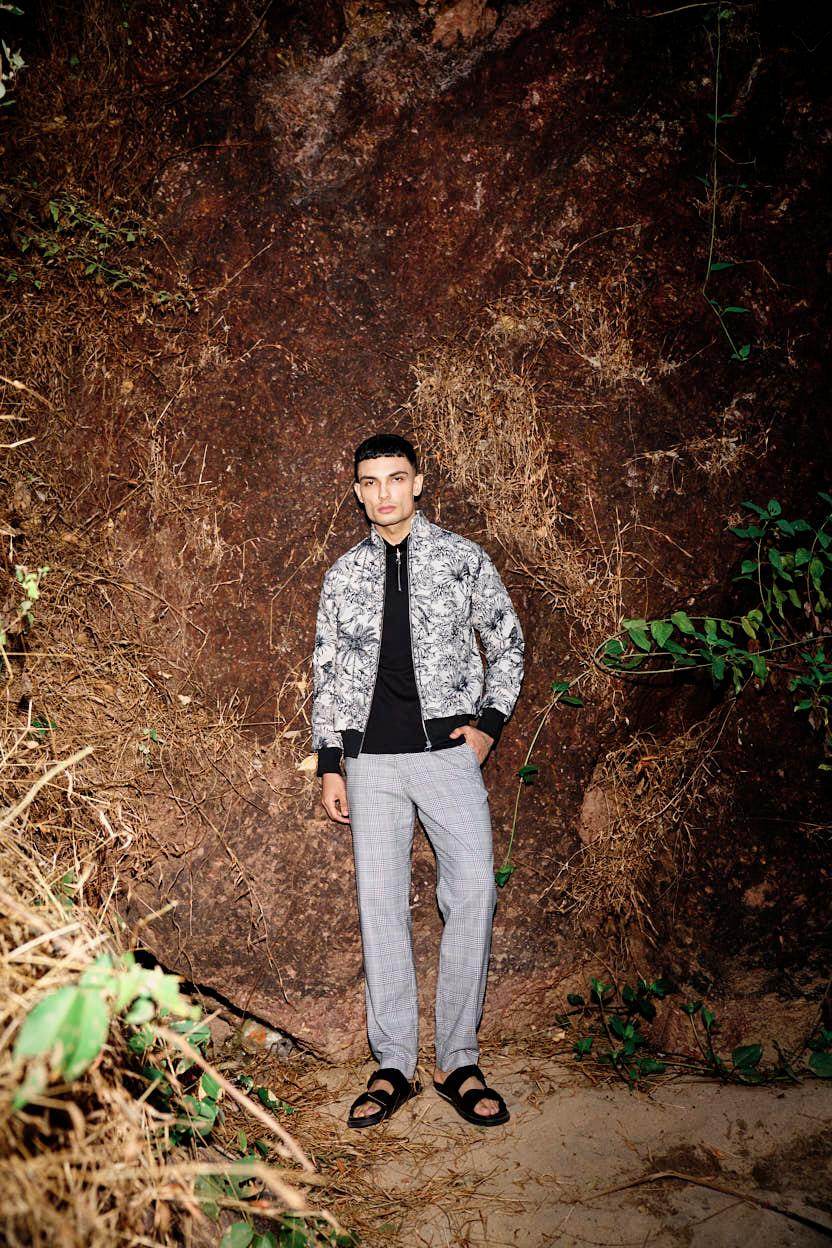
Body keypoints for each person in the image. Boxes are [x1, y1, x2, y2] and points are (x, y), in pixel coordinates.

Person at [311, 432, 524, 1128]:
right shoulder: (343, 575)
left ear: (418, 483)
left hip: (446, 757)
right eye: (371, 482)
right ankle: (394, 1064)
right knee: (380, 905)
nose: (385, 493)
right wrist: (331, 761)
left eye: (396, 478)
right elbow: (327, 673)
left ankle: (458, 1059)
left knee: (474, 890)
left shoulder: (463, 559)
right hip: (370, 763)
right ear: (358, 491)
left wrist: (488, 725)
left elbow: (507, 642)